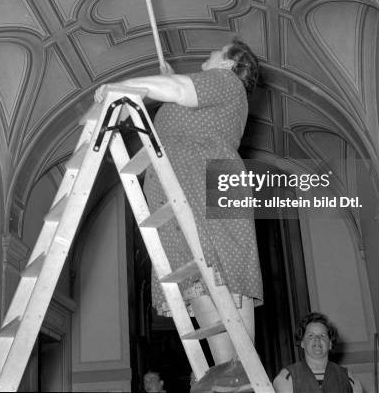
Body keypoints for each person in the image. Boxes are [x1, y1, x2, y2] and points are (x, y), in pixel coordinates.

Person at [95, 38, 263, 365]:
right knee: (198, 283)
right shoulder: (216, 91)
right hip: (189, 193)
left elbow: (175, 89)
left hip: (206, 187)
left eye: (218, 49)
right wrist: (165, 81)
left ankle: (241, 375)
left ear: (231, 63)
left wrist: (122, 87)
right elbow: (177, 95)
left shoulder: (226, 81)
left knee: (223, 277)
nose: (210, 51)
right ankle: (231, 378)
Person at [272, 312, 363, 393]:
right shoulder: (287, 377)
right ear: (302, 343)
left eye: (322, 336)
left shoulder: (348, 378)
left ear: (330, 344)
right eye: (311, 335)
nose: (317, 339)